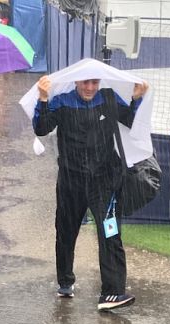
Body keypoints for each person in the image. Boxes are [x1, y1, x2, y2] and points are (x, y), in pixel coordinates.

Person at [33, 76, 148, 311]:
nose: (90, 88)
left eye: (94, 83)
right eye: (85, 83)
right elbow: (42, 128)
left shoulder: (107, 97)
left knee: (111, 234)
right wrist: (43, 99)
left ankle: (112, 293)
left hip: (103, 182)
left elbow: (131, 122)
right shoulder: (62, 102)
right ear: (75, 82)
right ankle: (65, 282)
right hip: (70, 181)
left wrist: (136, 99)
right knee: (66, 233)